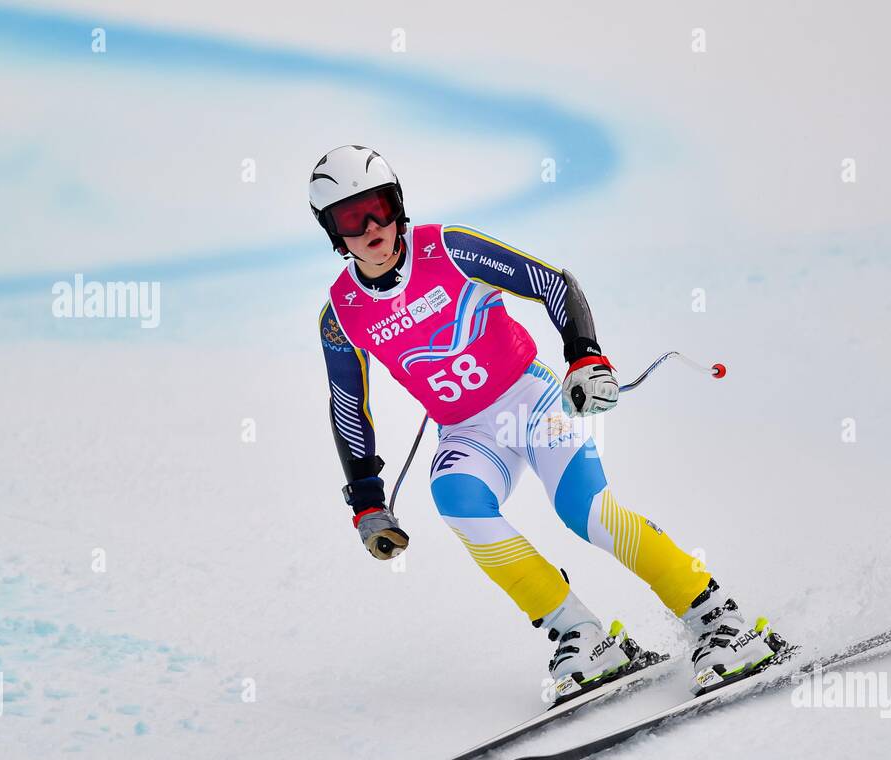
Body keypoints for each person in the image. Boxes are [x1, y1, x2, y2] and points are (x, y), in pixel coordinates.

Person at [311, 144, 778, 699]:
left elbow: (555, 284)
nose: (371, 227)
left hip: (532, 402)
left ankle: (720, 618)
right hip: (466, 433)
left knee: (586, 513)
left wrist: (584, 356)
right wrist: (367, 501)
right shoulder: (341, 316)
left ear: (398, 205)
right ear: (332, 232)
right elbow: (347, 407)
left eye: (380, 208)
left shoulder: (449, 249)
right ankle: (581, 636)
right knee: (457, 501)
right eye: (350, 217)